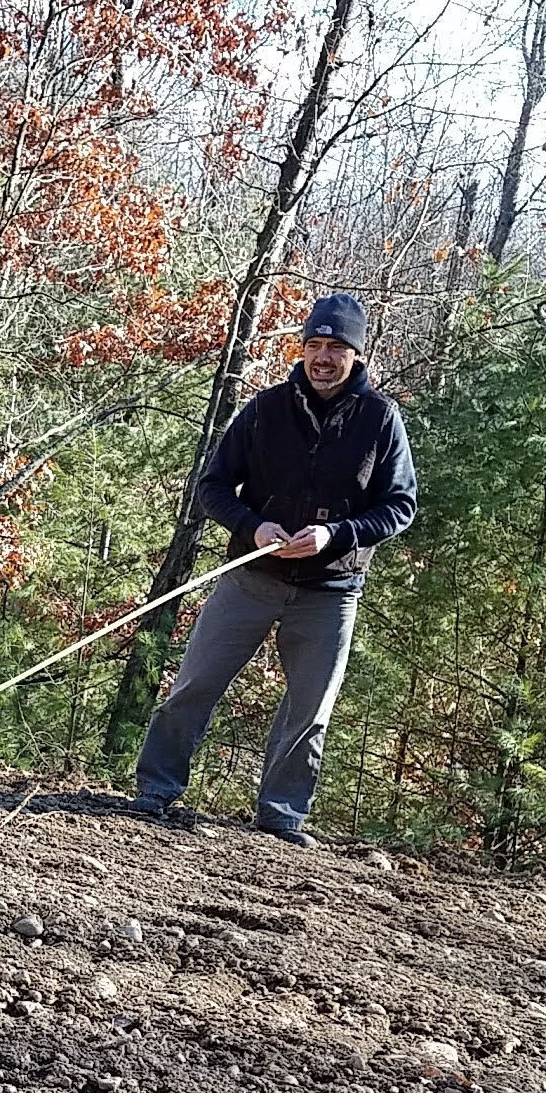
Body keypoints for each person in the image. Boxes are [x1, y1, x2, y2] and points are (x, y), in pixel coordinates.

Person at [124, 292, 417, 848]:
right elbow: (212, 487)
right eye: (314, 345)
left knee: (310, 710)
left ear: (357, 355)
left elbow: (400, 505)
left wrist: (337, 535)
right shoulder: (264, 409)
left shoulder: (382, 419)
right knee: (195, 684)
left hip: (332, 590)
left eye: (336, 347)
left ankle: (281, 816)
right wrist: (252, 528)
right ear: (302, 350)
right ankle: (155, 790)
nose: (323, 357)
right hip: (250, 577)